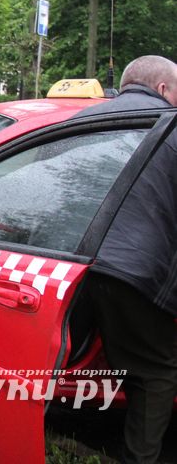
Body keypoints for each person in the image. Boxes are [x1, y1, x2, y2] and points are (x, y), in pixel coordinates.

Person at [75, 55, 177, 463]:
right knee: (155, 372)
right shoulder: (171, 126)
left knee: (50, 359)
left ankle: (8, 428)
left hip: (66, 266)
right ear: (164, 90)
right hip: (137, 272)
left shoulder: (85, 120)